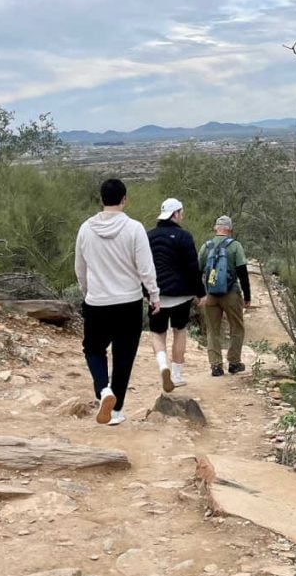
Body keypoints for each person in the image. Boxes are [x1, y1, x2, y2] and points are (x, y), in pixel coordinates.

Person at [75, 178, 162, 426]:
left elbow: (80, 267)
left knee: (93, 349)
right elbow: (146, 268)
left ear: (101, 199)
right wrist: (154, 296)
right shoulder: (134, 228)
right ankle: (117, 410)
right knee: (124, 355)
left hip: (97, 302)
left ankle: (104, 390)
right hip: (129, 302)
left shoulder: (85, 229)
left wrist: (86, 291)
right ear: (124, 199)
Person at [147, 198, 206, 387]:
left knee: (157, 333)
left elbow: (142, 266)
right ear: (175, 214)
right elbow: (192, 267)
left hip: (156, 294)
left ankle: (162, 365)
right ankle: (176, 375)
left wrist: (146, 292)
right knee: (180, 331)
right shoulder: (185, 237)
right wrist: (201, 292)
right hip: (182, 294)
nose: (183, 215)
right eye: (181, 212)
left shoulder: (148, 236)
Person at [198, 215, 251, 376]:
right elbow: (242, 273)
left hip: (210, 295)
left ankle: (216, 366)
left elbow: (196, 271)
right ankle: (234, 363)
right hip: (231, 294)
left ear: (216, 228)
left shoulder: (206, 247)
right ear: (230, 230)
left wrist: (201, 293)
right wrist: (247, 296)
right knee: (237, 328)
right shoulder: (235, 246)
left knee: (212, 330)